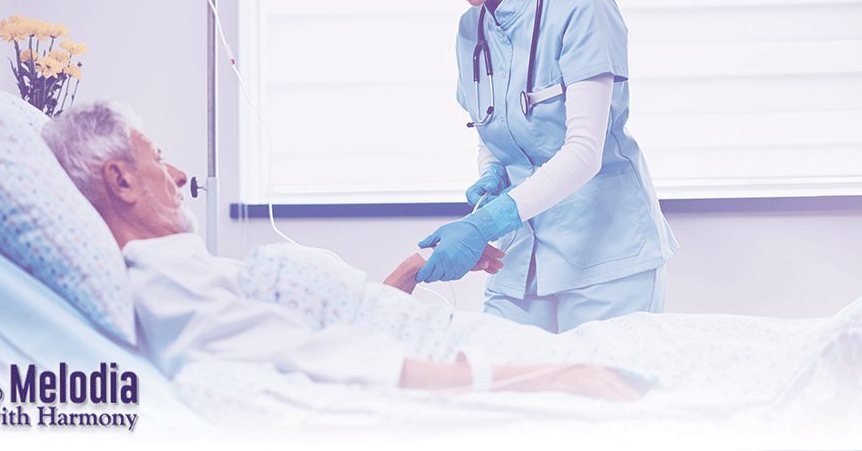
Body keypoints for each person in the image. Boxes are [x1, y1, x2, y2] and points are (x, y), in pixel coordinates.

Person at [41, 100, 646, 400]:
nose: (176, 173)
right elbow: (330, 358)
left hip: (450, 337)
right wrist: (547, 377)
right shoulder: (165, 284)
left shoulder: (190, 268)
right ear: (120, 181)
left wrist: (413, 268)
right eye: (154, 156)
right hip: (470, 361)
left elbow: (341, 324)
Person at [406, 0, 680, 333]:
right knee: (499, 389)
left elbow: (583, 153)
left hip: (605, 261)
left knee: (600, 398)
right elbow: (491, 132)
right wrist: (491, 175)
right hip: (520, 264)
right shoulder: (470, 33)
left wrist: (486, 223)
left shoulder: (580, 5)